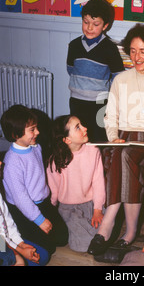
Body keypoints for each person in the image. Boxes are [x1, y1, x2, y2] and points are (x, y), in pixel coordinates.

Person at [87, 23, 144, 256]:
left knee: (122, 158)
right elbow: (110, 116)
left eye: (143, 51)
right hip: (125, 142)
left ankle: (108, 225)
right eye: (132, 50)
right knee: (122, 154)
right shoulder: (121, 80)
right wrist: (113, 137)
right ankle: (128, 233)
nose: (136, 57)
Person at [0, 105, 68, 255]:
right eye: (32, 129)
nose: (37, 132)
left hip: (42, 202)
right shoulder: (12, 162)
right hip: (23, 209)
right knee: (48, 249)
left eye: (36, 127)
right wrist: (39, 220)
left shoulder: (36, 147)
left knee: (63, 238)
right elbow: (20, 198)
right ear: (15, 134)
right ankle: (17, 238)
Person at [67, 0, 124, 142]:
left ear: (105, 26)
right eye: (86, 22)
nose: (89, 28)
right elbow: (70, 69)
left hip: (100, 103)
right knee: (78, 138)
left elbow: (118, 76)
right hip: (77, 101)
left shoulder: (109, 48)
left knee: (98, 138)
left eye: (95, 24)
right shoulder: (74, 45)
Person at [47, 115, 106, 252]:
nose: (85, 128)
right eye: (78, 127)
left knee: (105, 230)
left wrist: (97, 209)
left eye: (81, 124)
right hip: (69, 209)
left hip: (91, 203)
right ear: (67, 140)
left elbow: (98, 182)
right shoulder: (55, 160)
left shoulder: (94, 151)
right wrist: (52, 211)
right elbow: (53, 190)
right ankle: (73, 230)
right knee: (81, 246)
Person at [0, 161, 49, 266]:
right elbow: (1, 244)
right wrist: (18, 251)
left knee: (43, 255)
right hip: (2, 248)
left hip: (6, 243)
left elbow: (7, 222)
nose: (1, 162)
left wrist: (20, 243)